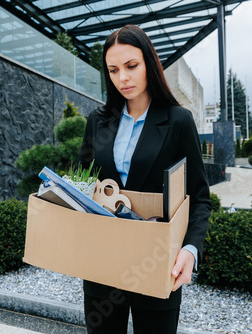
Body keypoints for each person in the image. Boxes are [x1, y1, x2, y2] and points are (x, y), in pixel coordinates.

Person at [77, 25, 211, 333]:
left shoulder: (178, 121)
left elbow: (200, 198)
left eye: (131, 66)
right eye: (113, 70)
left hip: (156, 260)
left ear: (149, 63)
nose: (122, 78)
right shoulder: (98, 122)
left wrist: (190, 250)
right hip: (102, 262)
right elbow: (82, 184)